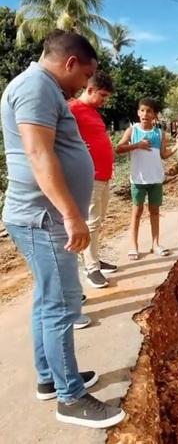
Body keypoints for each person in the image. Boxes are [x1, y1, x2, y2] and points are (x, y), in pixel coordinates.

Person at [0, 30, 125, 428]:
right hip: (44, 217)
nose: (85, 85)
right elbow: (38, 154)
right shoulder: (36, 86)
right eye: (85, 75)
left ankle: (49, 378)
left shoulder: (41, 87)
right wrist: (72, 215)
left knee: (47, 300)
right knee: (62, 306)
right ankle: (70, 397)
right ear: (71, 63)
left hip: (40, 215)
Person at [116, 98, 178, 260]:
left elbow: (163, 154)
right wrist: (136, 145)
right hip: (138, 180)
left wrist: (177, 146)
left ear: (155, 115)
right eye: (143, 110)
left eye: (149, 111)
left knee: (154, 212)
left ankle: (155, 244)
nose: (145, 114)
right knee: (136, 213)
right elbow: (118, 148)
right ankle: (134, 245)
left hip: (155, 180)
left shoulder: (159, 133)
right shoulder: (132, 131)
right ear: (138, 113)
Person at [69, 71, 117, 288]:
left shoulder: (94, 112)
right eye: (103, 96)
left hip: (104, 176)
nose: (105, 101)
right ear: (89, 90)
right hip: (89, 178)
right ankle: (91, 269)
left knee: (97, 223)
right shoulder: (72, 109)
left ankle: (94, 259)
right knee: (90, 224)